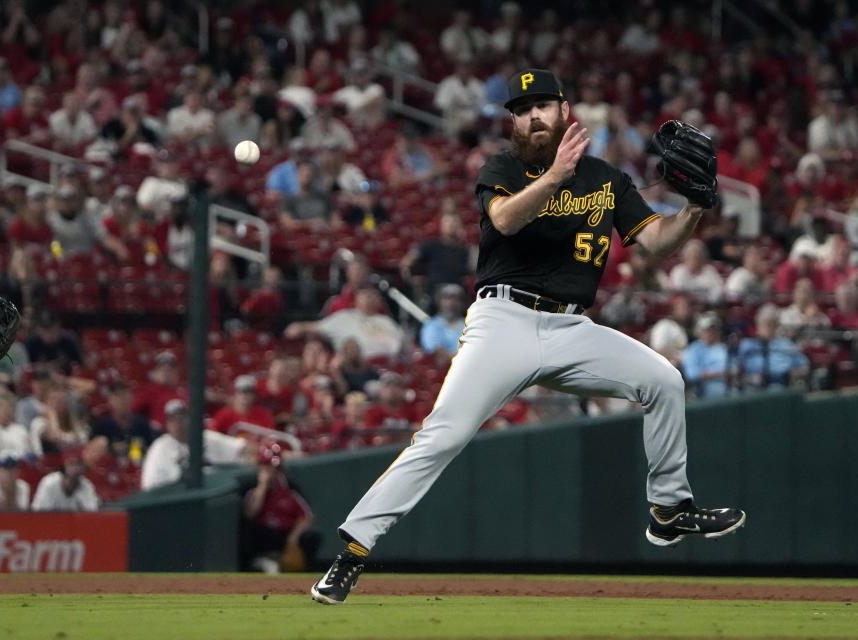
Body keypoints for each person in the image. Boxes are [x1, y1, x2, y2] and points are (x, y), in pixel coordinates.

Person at [310, 68, 745, 605]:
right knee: (442, 435)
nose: (534, 115)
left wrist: (695, 209)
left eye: (543, 105)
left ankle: (669, 511)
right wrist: (554, 177)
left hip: (571, 326)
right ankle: (352, 553)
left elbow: (656, 242)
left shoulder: (606, 178)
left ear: (564, 111)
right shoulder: (503, 168)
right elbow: (506, 221)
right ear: (513, 120)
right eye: (523, 109)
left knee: (664, 380)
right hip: (503, 323)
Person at [241, 443, 321, 573]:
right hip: (262, 534)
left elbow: (307, 516)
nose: (271, 470)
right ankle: (256, 562)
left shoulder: (289, 486)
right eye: (266, 466)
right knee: (247, 531)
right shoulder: (251, 486)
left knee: (312, 537)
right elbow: (250, 513)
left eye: (274, 467)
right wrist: (262, 486)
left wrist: (293, 538)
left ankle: (301, 571)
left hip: (284, 534)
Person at [141, 399, 252, 490]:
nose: (178, 422)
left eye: (182, 417)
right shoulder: (159, 448)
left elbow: (242, 447)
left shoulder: (205, 437)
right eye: (173, 419)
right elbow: (148, 486)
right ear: (167, 424)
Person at [285, 285, 404, 360]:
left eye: (373, 296)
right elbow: (316, 326)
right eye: (366, 295)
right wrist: (298, 326)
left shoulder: (386, 321)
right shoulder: (344, 317)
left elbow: (402, 343)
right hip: (354, 366)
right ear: (357, 299)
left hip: (388, 366)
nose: (370, 299)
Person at [737, 304, 809, 390]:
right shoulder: (748, 344)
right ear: (757, 325)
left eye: (771, 324)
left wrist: (791, 374)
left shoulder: (786, 344)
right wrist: (748, 378)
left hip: (782, 385)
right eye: (764, 324)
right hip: (753, 386)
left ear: (776, 326)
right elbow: (736, 368)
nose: (767, 328)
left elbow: (805, 366)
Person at [91, 381, 159, 458]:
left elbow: (153, 451)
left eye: (124, 395)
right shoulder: (102, 427)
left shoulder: (143, 424)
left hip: (139, 465)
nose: (121, 400)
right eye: (117, 395)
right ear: (110, 400)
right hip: (112, 468)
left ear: (132, 397)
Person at [132, 351, 188, 428]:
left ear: (176, 372)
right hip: (156, 434)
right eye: (162, 369)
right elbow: (132, 412)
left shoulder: (183, 392)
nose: (166, 373)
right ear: (156, 372)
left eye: (170, 369)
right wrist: (148, 423)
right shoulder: (148, 391)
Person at [682, 312, 731, 398]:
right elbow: (692, 374)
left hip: (729, 392)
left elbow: (734, 369)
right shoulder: (693, 350)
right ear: (700, 331)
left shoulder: (724, 347)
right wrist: (721, 374)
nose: (711, 333)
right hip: (704, 395)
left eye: (714, 329)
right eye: (707, 330)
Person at [30, 450, 100, 511]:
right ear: (63, 466)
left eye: (78, 464)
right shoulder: (49, 483)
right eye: (71, 463)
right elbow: (39, 513)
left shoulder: (86, 485)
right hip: (50, 523)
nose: (75, 468)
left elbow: (91, 513)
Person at [209, 375, 277, 436]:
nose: (245, 396)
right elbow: (212, 435)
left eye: (249, 392)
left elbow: (271, 437)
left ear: (254, 396)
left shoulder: (264, 415)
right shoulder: (224, 414)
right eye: (241, 391)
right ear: (235, 394)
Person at [420, 284, 467, 361]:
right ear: (439, 301)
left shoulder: (469, 325)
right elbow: (435, 350)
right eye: (447, 298)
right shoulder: (430, 325)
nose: (451, 303)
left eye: (456, 299)